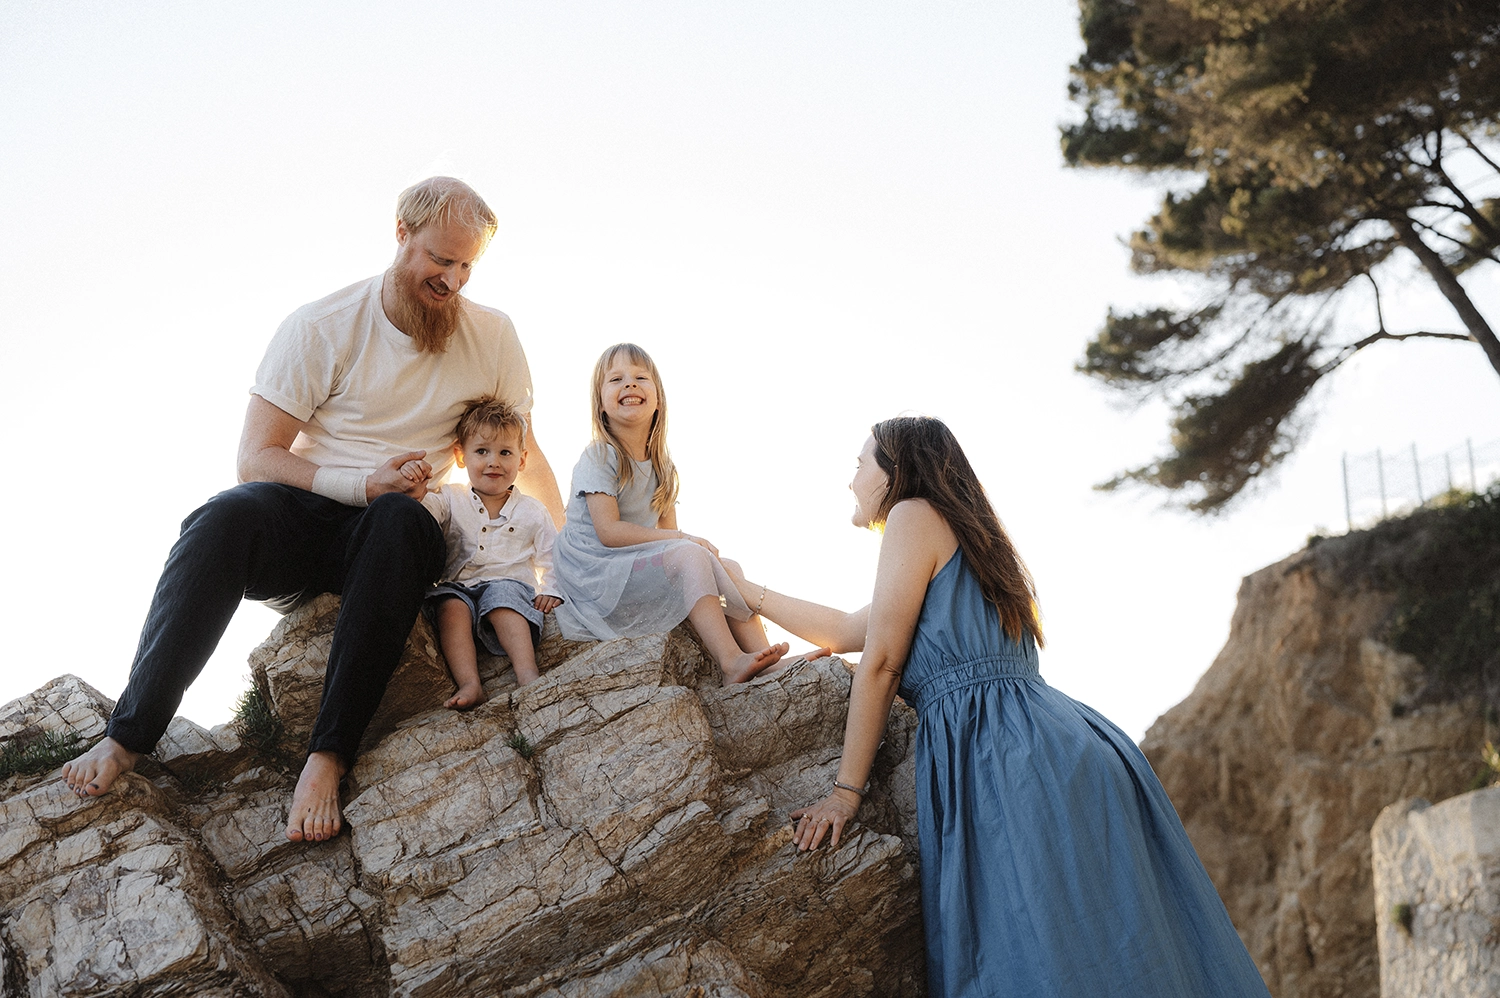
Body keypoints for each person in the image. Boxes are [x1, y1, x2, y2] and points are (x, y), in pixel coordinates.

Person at [61, 177, 564, 845]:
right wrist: (360, 484)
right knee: (221, 518)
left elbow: (523, 455)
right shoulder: (322, 325)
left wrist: (568, 557)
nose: (452, 279)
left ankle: (327, 759)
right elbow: (255, 457)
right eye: (440, 259)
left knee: (400, 520)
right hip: (312, 511)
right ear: (401, 234)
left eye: (467, 265)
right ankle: (127, 737)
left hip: (398, 535)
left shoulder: (493, 337)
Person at [722, 416, 1272, 998]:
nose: (850, 479)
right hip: (1057, 741)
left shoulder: (912, 514)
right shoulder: (957, 531)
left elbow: (881, 662)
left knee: (1038, 959)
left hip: (1005, 758)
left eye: (860, 465)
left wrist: (844, 792)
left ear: (896, 472)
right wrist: (747, 589)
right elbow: (851, 629)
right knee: (1118, 951)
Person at [551, 343, 788, 684]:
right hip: (596, 572)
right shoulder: (600, 456)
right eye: (615, 379)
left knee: (727, 567)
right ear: (600, 404)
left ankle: (766, 658)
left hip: (629, 565)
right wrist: (684, 541)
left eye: (640, 377)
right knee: (690, 555)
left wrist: (689, 547)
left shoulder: (663, 466)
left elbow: (669, 546)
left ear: (658, 398)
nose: (629, 384)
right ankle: (730, 661)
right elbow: (610, 533)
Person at [415, 396, 563, 705]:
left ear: (521, 460)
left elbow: (553, 554)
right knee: (449, 606)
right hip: (460, 588)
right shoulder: (450, 499)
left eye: (505, 452)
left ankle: (527, 674)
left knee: (502, 599)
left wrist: (552, 588)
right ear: (460, 456)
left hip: (510, 587)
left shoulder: (532, 511)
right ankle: (470, 684)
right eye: (482, 451)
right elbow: (423, 515)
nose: (493, 461)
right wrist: (418, 492)